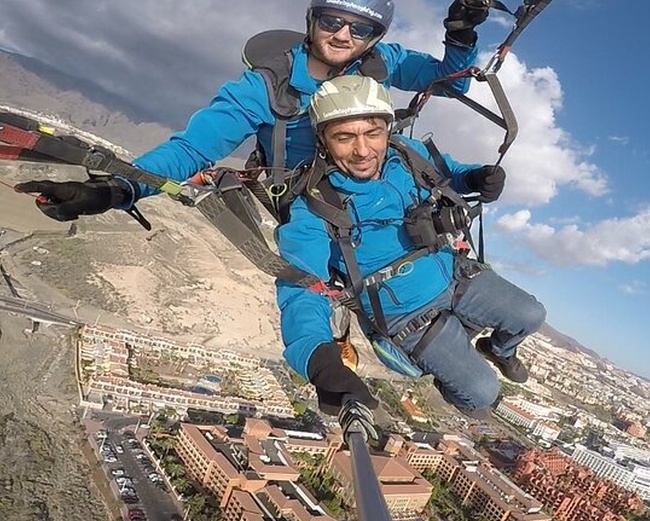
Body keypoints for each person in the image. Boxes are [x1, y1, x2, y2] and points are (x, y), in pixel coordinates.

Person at [15, 0, 491, 220]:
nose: (344, 35)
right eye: (332, 21)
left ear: (373, 38)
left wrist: (461, 36)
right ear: (313, 21)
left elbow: (450, 82)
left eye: (360, 29)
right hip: (315, 201)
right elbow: (192, 150)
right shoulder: (266, 86)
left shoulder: (382, 62)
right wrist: (117, 188)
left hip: (376, 180)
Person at [279, 75, 547, 417]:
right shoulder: (314, 205)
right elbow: (301, 288)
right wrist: (318, 360)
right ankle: (449, 373)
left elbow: (448, 172)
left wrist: (474, 177)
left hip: (452, 272)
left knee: (531, 315)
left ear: (387, 130)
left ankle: (499, 350)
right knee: (481, 395)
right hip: (406, 314)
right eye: (344, 137)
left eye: (373, 133)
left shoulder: (407, 155)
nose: (363, 151)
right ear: (323, 140)